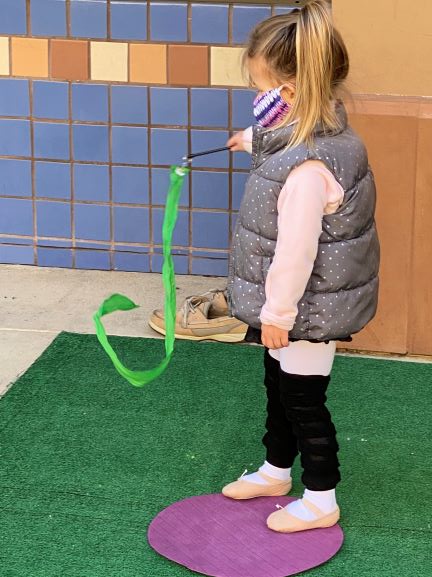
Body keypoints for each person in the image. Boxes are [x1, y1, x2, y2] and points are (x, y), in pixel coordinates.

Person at [222, 0, 380, 534]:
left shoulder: (309, 171)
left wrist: (278, 313)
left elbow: (296, 250)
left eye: (260, 88)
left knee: (304, 403)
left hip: (306, 310)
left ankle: (320, 498)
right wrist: (251, 139)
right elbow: (289, 138)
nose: (256, 98)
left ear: (287, 94)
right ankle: (275, 471)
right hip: (298, 307)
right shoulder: (322, 134)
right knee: (279, 388)